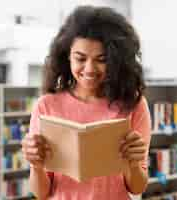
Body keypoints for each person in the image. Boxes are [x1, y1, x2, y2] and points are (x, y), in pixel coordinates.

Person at [21, 5, 151, 200]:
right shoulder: (46, 106)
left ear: (116, 61)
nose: (89, 69)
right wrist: (36, 165)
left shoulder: (133, 105)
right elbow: (41, 193)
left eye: (102, 59)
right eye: (80, 58)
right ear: (67, 57)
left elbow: (136, 188)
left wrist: (132, 164)